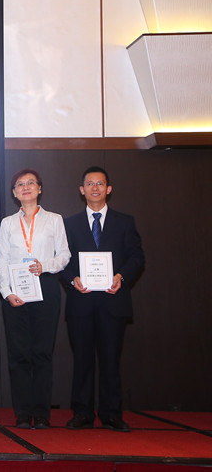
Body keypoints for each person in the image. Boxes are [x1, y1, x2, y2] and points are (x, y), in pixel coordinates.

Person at [60, 166, 144, 432]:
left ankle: (111, 414)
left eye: (100, 184)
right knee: (82, 360)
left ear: (108, 189)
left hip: (113, 301)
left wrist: (121, 276)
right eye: (90, 184)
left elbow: (137, 257)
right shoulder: (69, 224)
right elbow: (62, 260)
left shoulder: (125, 222)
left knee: (110, 360)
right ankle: (82, 412)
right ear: (81, 190)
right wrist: (72, 279)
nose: (95, 188)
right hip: (81, 302)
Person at [0, 169, 70, 429]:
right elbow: (2, 260)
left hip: (45, 286)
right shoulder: (7, 223)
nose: (25, 187)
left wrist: (44, 266)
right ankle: (23, 412)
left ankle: (41, 413)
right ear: (14, 193)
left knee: (42, 352)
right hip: (16, 290)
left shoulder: (54, 220)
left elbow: (64, 255)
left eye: (30, 183)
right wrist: (7, 292)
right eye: (20, 184)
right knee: (18, 354)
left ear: (39, 189)